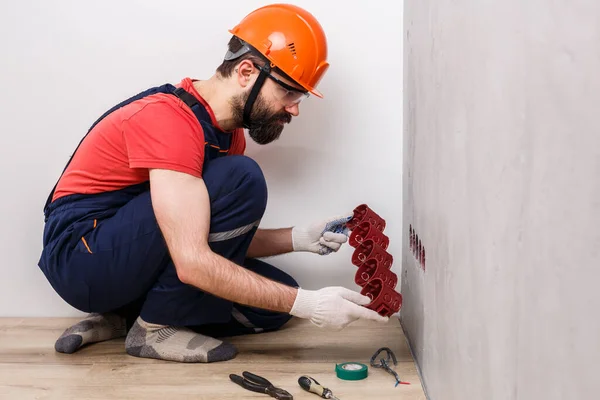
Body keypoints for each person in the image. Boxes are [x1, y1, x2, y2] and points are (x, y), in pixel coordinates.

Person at [37, 3, 389, 364]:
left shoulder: (226, 137)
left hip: (127, 257)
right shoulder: (170, 121)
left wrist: (297, 238)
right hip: (83, 257)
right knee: (242, 178)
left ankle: (123, 318)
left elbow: (197, 229)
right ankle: (153, 329)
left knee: (274, 306)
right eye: (289, 93)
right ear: (247, 71)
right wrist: (310, 305)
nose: (294, 109)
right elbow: (191, 260)